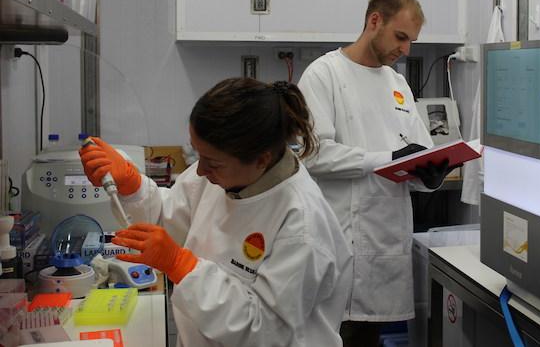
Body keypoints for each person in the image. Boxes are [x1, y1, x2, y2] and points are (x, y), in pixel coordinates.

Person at [79, 78, 352, 347]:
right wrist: (133, 186)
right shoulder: (221, 173)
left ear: (262, 159)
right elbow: (170, 220)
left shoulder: (302, 225)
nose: (199, 171)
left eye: (211, 162)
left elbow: (265, 332)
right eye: (198, 155)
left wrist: (181, 266)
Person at [297, 0, 454, 346]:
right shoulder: (324, 75)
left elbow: (419, 153)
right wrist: (386, 159)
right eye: (401, 37)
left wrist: (430, 176)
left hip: (385, 243)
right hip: (339, 241)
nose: (406, 50)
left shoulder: (398, 84)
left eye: (412, 41)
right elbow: (314, 154)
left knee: (367, 338)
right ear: (374, 21)